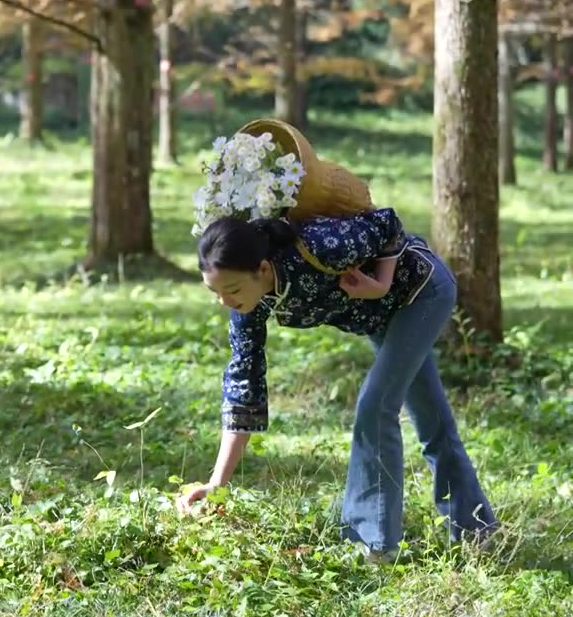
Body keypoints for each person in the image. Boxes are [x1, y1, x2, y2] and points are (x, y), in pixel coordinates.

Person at [177, 209, 496, 561]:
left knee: (375, 405)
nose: (225, 301)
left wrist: (383, 283)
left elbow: (386, 223)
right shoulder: (247, 309)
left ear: (263, 269)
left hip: (422, 292)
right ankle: (476, 529)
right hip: (380, 317)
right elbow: (243, 387)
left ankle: (371, 543)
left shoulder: (318, 247)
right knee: (430, 419)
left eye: (232, 289)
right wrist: (217, 484)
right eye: (215, 292)